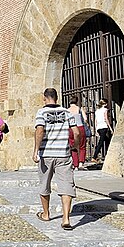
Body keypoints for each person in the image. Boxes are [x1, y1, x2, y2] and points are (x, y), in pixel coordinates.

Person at [34, 88, 80, 230]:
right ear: (57, 97)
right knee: (66, 184)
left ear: (44, 98)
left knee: (44, 183)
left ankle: (46, 214)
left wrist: (36, 150)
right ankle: (66, 218)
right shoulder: (67, 112)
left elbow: (40, 131)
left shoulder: (41, 112)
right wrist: (75, 147)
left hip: (46, 154)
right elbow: (76, 132)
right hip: (63, 154)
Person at [67, 95, 88, 169]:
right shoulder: (79, 109)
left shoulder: (67, 110)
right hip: (80, 127)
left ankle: (75, 165)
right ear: (77, 101)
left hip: (71, 129)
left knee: (73, 146)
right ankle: (81, 162)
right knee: (82, 146)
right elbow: (85, 119)